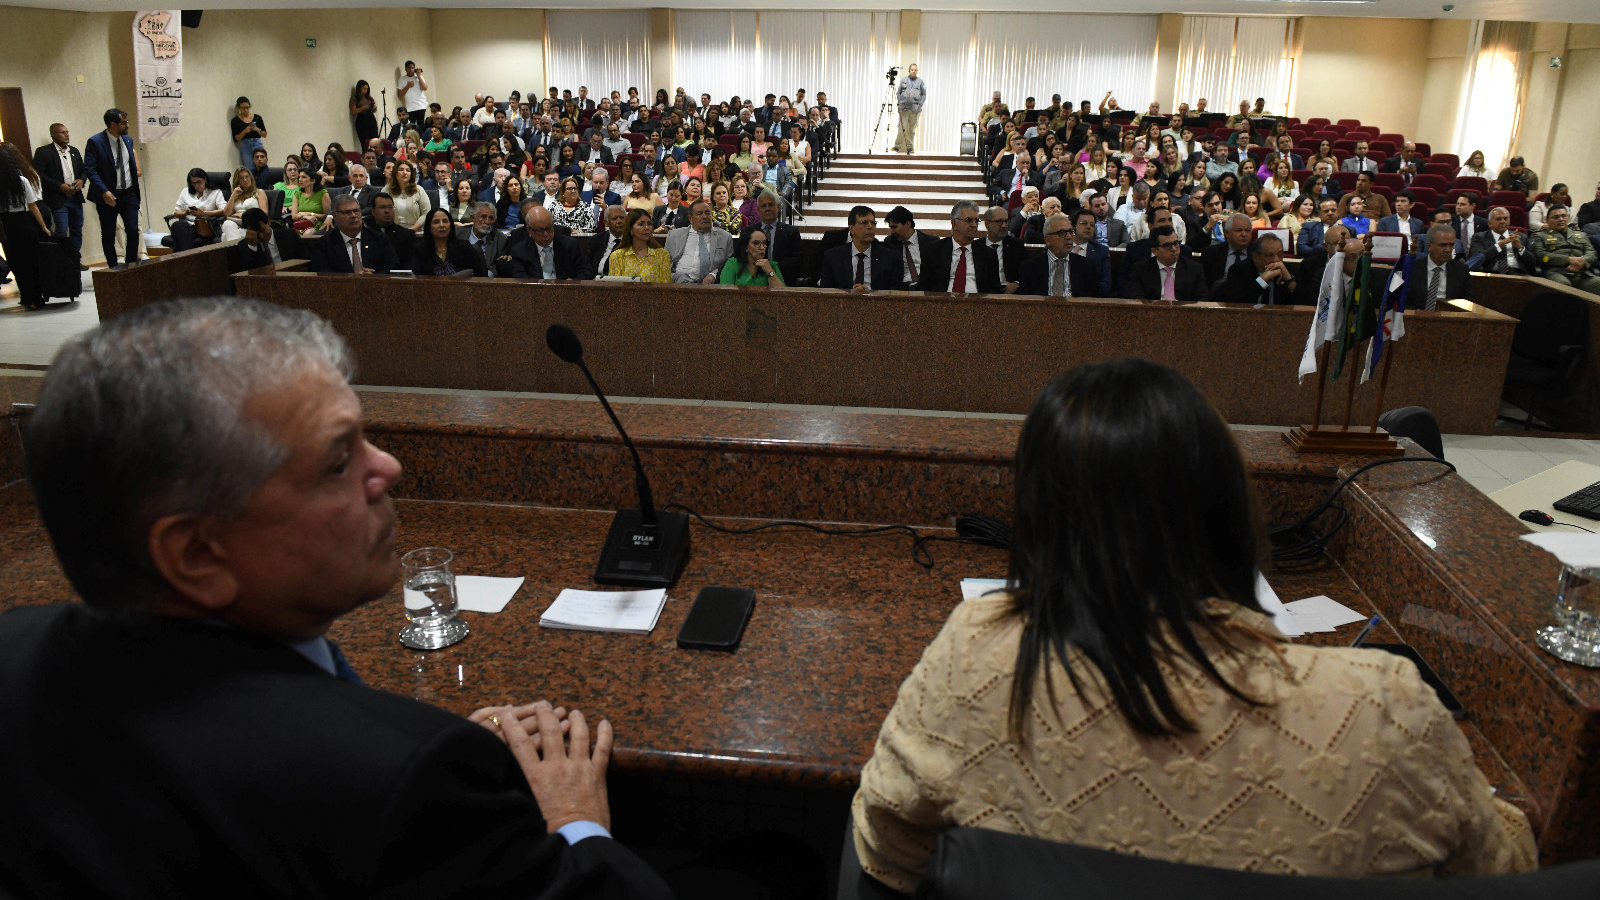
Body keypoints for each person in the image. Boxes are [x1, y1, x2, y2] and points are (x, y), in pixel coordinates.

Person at [2, 296, 675, 899]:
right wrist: (571, 821)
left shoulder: (14, 650)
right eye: (337, 460)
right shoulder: (403, 783)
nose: (387, 467)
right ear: (197, 555)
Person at [851, 356, 1537, 894]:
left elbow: (887, 853)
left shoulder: (974, 651)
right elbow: (1503, 872)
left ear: (1038, 521)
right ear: (1232, 511)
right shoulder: (1388, 708)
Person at [84, 108, 141, 268]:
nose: (127, 125)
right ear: (112, 124)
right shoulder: (95, 142)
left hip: (128, 192)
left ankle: (130, 264)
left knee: (132, 228)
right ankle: (113, 267)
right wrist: (104, 190)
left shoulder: (128, 141)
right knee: (109, 232)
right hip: (107, 195)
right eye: (124, 122)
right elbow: (90, 169)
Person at [0, 142, 51, 309]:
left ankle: (26, 297)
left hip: (7, 226)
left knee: (16, 263)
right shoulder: (22, 180)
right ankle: (38, 297)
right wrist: (43, 226)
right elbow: (33, 206)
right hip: (25, 222)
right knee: (32, 262)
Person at [920, 200, 1000, 295]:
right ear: (954, 223)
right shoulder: (934, 250)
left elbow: (995, 290)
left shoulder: (988, 254)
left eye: (976, 220)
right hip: (942, 304)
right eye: (969, 220)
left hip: (977, 305)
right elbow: (923, 287)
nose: (974, 225)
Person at [33, 123, 86, 260]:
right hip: (58, 198)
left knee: (76, 229)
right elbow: (39, 174)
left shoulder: (74, 151)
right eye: (63, 132)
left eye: (67, 132)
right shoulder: (44, 152)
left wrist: (81, 180)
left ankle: (75, 259)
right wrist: (59, 186)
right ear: (53, 135)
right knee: (61, 230)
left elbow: (84, 171)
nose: (67, 134)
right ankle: (63, 261)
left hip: (75, 197)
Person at [819, 205, 901, 292]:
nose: (870, 227)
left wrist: (871, 293)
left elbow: (894, 293)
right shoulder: (833, 257)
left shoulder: (889, 257)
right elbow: (826, 292)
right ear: (852, 228)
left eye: (873, 223)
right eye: (864, 222)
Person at [308, 195, 399, 273]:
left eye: (356, 211)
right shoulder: (325, 244)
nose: (353, 216)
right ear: (335, 216)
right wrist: (350, 279)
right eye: (347, 212)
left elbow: (393, 266)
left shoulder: (379, 239)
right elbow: (320, 271)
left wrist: (374, 276)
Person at [506, 203, 592, 280]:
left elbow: (585, 271)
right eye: (540, 231)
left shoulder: (571, 245)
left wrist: (573, 283)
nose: (546, 234)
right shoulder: (520, 251)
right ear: (529, 230)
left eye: (549, 228)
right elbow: (521, 278)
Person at [1209, 232, 1299, 305]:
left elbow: (1303, 305)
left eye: (1280, 254)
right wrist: (1263, 280)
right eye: (1269, 255)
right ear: (1256, 257)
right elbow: (1238, 304)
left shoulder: (1288, 271)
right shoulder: (1239, 271)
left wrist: (1290, 280)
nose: (1276, 260)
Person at [1018, 213, 1093, 297]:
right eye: (1062, 232)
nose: (1069, 237)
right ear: (1048, 240)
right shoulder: (1029, 267)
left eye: (1071, 232)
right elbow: (1024, 303)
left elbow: (1095, 301)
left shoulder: (1087, 266)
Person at [1531, 205, 1600, 294]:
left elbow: (1591, 252)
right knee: (1563, 286)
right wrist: (1568, 260)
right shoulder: (1539, 235)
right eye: (1556, 217)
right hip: (1557, 272)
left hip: (1582, 273)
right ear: (1547, 220)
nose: (1561, 219)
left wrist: (1582, 261)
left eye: (1564, 216)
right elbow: (1541, 256)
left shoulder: (1580, 234)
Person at [665, 199, 733, 284]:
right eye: (699, 214)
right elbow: (665, 264)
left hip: (709, 286)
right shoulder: (674, 235)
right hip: (678, 283)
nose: (705, 217)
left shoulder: (725, 237)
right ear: (690, 218)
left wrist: (714, 275)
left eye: (708, 213)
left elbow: (729, 264)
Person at [1410, 223, 1474, 309]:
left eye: (1451, 245)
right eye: (1442, 245)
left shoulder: (1461, 270)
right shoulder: (1412, 268)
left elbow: (1467, 302)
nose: (1447, 250)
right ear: (1429, 246)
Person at [412, 206, 486, 276]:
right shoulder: (420, 250)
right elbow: (417, 280)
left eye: (445, 221)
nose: (442, 225)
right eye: (436, 222)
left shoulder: (464, 247)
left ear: (450, 226)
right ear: (429, 227)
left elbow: (478, 277)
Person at [226, 207, 307, 271]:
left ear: (268, 222)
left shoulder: (289, 236)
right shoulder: (244, 246)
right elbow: (247, 274)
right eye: (256, 233)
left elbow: (305, 260)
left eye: (262, 230)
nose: (261, 236)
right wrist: (252, 247)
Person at [167, 168, 226, 251]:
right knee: (178, 226)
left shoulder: (215, 192)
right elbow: (176, 212)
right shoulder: (185, 192)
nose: (196, 186)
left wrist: (204, 213)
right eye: (193, 183)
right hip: (185, 224)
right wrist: (185, 213)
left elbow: (224, 210)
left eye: (199, 182)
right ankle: (188, 259)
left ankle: (183, 260)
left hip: (203, 226)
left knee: (182, 238)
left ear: (205, 179)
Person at [607, 207, 672, 282]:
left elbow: (666, 288)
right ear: (630, 229)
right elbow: (615, 288)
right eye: (641, 224)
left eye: (649, 224)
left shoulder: (662, 255)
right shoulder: (617, 256)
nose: (647, 228)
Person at [1470, 206, 1537, 275]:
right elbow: (1478, 259)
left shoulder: (1522, 237)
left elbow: (1532, 262)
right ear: (1490, 223)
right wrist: (1500, 244)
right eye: (1498, 219)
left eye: (1505, 219)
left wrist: (1520, 247)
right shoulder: (1480, 237)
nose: (1503, 222)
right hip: (1492, 275)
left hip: (1518, 274)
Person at [1201, 213, 1256, 288]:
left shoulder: (1258, 252)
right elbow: (1204, 284)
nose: (1244, 234)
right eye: (1239, 230)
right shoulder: (1211, 253)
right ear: (1227, 233)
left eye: (1247, 230)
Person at [718, 224, 784, 286]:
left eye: (764, 243)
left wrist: (770, 272)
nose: (762, 247)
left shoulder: (771, 265)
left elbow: (783, 295)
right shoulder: (733, 263)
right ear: (746, 247)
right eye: (756, 243)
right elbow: (725, 293)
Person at [981, 205, 1024, 293]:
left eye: (1006, 221)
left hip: (1009, 294)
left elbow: (1026, 272)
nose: (1004, 226)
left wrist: (1016, 284)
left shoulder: (1016, 245)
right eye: (999, 222)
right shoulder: (977, 246)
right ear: (987, 224)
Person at [369, 192, 415, 264]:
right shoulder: (366, 233)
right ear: (373, 211)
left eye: (390, 207)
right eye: (382, 207)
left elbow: (409, 264)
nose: (387, 211)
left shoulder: (407, 235)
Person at [384, 160, 428, 232]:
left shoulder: (419, 190)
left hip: (415, 232)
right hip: (392, 232)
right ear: (395, 173)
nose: (404, 173)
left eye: (408, 170)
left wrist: (413, 229)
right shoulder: (386, 190)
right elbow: (380, 211)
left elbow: (426, 213)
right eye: (401, 170)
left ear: (411, 174)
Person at [894, 63, 926, 154]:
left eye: (915, 70)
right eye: (912, 69)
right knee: (901, 128)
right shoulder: (903, 80)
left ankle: (910, 148)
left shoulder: (920, 82)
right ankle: (897, 147)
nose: (914, 71)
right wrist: (900, 101)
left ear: (917, 71)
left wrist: (920, 104)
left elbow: (924, 94)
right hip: (904, 109)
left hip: (915, 110)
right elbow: (898, 92)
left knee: (912, 130)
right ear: (909, 70)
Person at [229, 97, 268, 170]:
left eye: (247, 107)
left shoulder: (257, 117)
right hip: (245, 145)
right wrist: (245, 131)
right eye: (243, 108)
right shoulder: (235, 121)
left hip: (257, 142)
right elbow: (236, 138)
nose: (246, 110)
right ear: (239, 108)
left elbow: (264, 134)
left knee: (263, 166)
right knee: (250, 168)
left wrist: (257, 129)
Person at [397, 60, 429, 130]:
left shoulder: (419, 77)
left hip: (421, 105)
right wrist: (408, 86)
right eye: (409, 68)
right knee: (411, 127)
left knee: (421, 126)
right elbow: (400, 94)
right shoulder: (402, 79)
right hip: (410, 107)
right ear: (405, 69)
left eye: (412, 68)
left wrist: (419, 75)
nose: (411, 69)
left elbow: (425, 88)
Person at [350, 80, 379, 150]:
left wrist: (374, 107)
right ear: (359, 88)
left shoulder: (369, 97)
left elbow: (374, 109)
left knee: (375, 138)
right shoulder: (355, 98)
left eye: (367, 89)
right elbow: (353, 111)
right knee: (365, 141)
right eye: (364, 88)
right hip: (362, 119)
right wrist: (363, 108)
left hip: (370, 118)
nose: (365, 90)